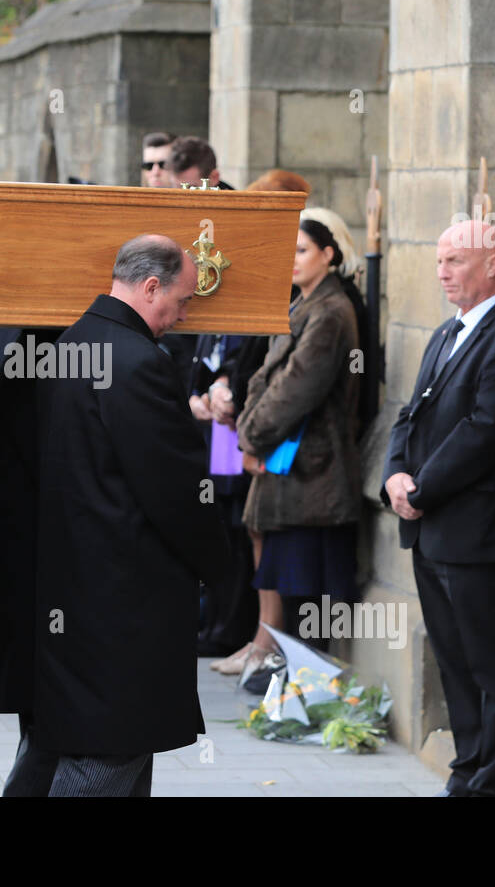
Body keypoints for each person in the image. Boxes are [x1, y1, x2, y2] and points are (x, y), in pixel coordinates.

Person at [32, 235, 230, 797]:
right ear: (149, 287)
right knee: (110, 749)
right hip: (126, 593)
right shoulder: (140, 361)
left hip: (77, 580)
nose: (185, 314)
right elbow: (175, 488)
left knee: (120, 744)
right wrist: (220, 566)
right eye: (184, 300)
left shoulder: (72, 343)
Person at [382, 219, 495, 797]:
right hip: (432, 530)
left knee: (490, 664)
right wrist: (394, 477)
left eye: (455, 261)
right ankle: (469, 766)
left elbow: (486, 431)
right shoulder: (446, 333)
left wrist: (419, 491)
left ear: (493, 263)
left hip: (478, 531)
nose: (443, 272)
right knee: (453, 658)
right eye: (439, 262)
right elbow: (408, 416)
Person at [220, 213, 366, 675]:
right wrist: (249, 429)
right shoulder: (303, 304)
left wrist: (249, 435)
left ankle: (301, 688)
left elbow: (296, 389)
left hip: (312, 471)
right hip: (287, 466)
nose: (292, 261)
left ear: (329, 255)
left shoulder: (330, 311)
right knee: (281, 573)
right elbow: (265, 378)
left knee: (304, 586)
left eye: (301, 250)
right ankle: (283, 679)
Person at [190, 171, 312, 659]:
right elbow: (211, 340)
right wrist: (205, 391)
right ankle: (227, 626)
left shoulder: (285, 277)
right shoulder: (244, 264)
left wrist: (233, 400)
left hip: (256, 427)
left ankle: (246, 631)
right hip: (223, 420)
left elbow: (259, 353)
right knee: (225, 518)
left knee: (245, 527)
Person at [168, 136, 234, 190]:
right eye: (175, 187)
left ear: (214, 177)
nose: (179, 197)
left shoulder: (235, 203)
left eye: (191, 188)